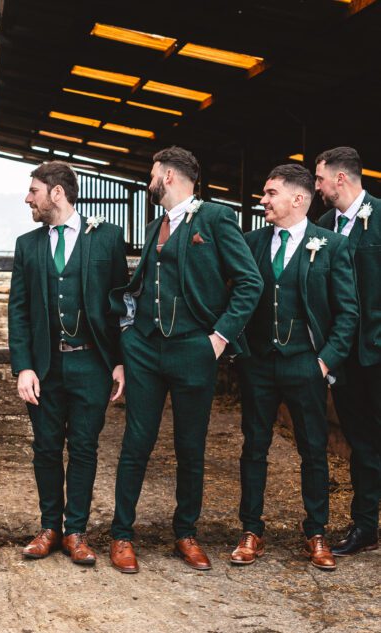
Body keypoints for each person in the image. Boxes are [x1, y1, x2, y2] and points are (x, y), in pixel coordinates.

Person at [108, 146, 263, 573]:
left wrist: (219, 337)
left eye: (152, 173)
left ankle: (185, 533)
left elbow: (249, 282)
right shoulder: (155, 223)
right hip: (145, 348)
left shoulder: (215, 219)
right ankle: (122, 535)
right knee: (136, 443)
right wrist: (127, 330)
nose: (149, 180)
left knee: (190, 447)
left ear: (171, 176)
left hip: (195, 349)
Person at [232, 164, 358, 570]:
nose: (263, 200)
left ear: (298, 199)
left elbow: (347, 313)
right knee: (254, 448)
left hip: (306, 366)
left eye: (271, 193)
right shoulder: (250, 242)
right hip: (257, 366)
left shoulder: (332, 245)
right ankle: (251, 530)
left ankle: (316, 531)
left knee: (313, 451)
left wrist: (323, 363)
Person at [8, 161, 128, 566]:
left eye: (34, 191)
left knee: (83, 447)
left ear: (56, 193)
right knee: (45, 447)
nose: (29, 199)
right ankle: (49, 528)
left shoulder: (108, 238)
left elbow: (120, 305)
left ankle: (76, 531)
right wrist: (23, 366)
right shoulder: (28, 245)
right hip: (44, 368)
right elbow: (19, 311)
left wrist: (119, 362)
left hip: (91, 365)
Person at [315, 146, 381, 556]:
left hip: (378, 351)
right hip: (345, 357)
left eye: (320, 179)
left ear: (341, 178)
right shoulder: (322, 227)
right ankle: (366, 524)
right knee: (361, 442)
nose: (315, 186)